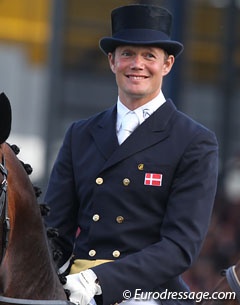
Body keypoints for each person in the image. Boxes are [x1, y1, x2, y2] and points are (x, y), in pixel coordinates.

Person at [44, 3, 218, 305]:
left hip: (143, 290)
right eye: (127, 54)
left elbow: (180, 246)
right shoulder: (80, 134)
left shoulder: (195, 142)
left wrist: (99, 281)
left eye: (149, 55)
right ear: (112, 61)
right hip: (73, 285)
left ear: (167, 65)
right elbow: (54, 232)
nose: (137, 64)